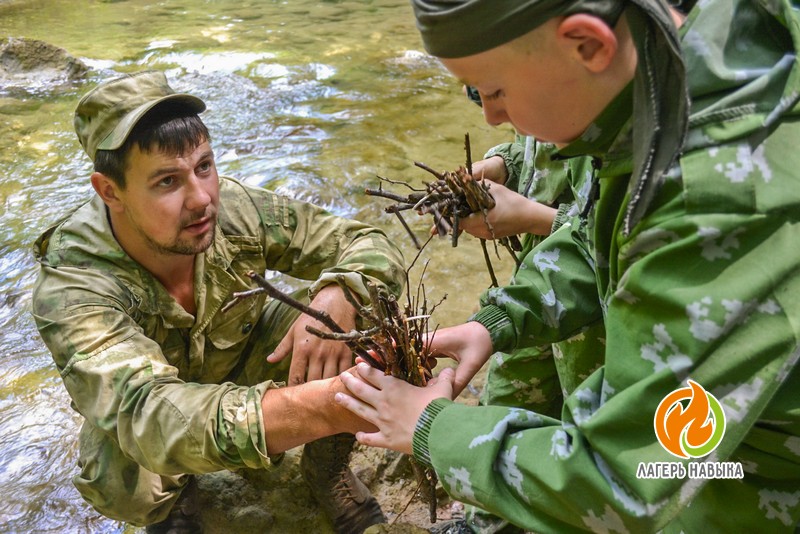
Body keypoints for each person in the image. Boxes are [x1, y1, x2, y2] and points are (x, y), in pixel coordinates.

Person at [337, 1, 800, 532]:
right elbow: (595, 235)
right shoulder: (666, 74)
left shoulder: (722, 196)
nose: (490, 116)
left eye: (494, 90)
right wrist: (495, 325)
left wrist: (431, 428)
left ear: (588, 45)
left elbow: (627, 482)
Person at [31, 70, 406, 533]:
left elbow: (365, 241)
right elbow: (147, 413)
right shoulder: (73, 287)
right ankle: (173, 503)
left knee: (366, 330)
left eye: (204, 166)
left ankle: (325, 470)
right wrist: (322, 407)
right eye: (167, 181)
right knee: (120, 482)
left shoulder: (235, 207)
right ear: (111, 191)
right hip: (151, 396)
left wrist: (342, 291)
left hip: (242, 349)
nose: (202, 199)